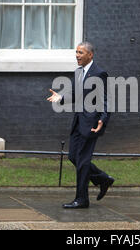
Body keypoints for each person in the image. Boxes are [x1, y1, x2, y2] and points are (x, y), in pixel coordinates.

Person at [47, 42, 114, 209]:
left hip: (91, 123)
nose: (77, 55)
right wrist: (61, 98)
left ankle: (82, 199)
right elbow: (77, 95)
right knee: (73, 157)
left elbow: (106, 100)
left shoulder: (100, 74)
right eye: (76, 52)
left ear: (90, 55)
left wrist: (103, 119)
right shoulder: (78, 72)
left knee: (83, 161)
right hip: (78, 121)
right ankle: (102, 178)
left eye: (81, 52)